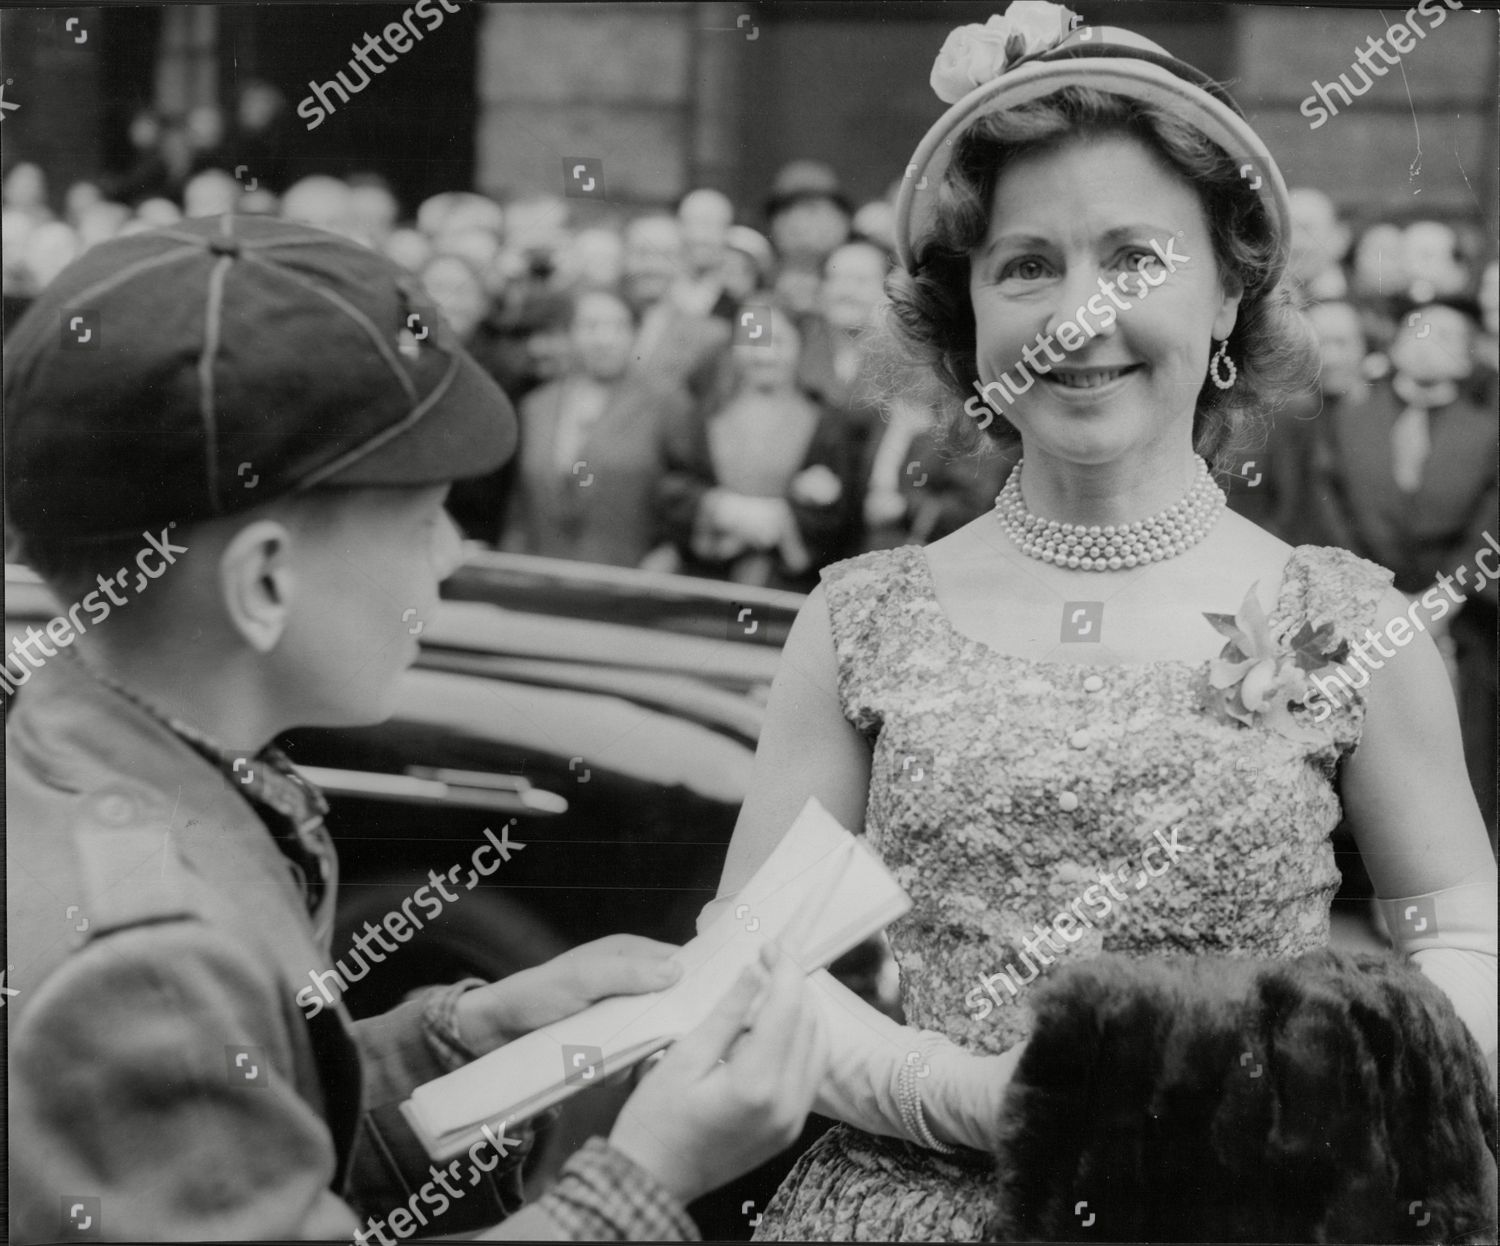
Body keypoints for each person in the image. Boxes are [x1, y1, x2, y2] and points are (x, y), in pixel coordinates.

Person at [697, 9, 1497, 1239]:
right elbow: (745, 967)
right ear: (968, 319)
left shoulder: (1354, 624)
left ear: (1230, 293)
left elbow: (1472, 953)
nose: (1079, 317)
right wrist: (969, 1097)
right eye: (1027, 265)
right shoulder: (862, 621)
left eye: (1135, 260)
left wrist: (1309, 1100)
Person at [3, 215, 828, 1243]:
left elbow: (244, 1129)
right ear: (265, 582)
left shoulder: (101, 772)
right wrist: (649, 1173)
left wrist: (462, 1037)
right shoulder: (148, 962)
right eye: (420, 523)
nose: (447, 560)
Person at [1311, 297, 1498, 848]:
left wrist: (1447, 595)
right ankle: (1367, 868)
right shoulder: (1351, 417)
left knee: (1463, 729)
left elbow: (1492, 521)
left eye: (1443, 334)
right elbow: (1328, 503)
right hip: (1362, 600)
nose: (1424, 340)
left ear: (1468, 358)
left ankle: (1458, 857)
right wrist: (1374, 595)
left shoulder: (1486, 432)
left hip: (1458, 612)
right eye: (1415, 329)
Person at [656, 306, 861, 591]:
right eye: (753, 342)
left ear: (799, 346)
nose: (765, 355)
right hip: (706, 576)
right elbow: (672, 486)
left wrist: (782, 520)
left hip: (787, 586)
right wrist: (725, 511)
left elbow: (841, 514)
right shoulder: (704, 415)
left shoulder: (827, 423)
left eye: (778, 342)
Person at [503, 286, 689, 565]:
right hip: (543, 575)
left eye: (617, 326)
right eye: (590, 326)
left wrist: (672, 551)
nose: (604, 339)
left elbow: (689, 485)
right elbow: (521, 504)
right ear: (570, 334)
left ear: (635, 334)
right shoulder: (537, 405)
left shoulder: (664, 403)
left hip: (628, 580)